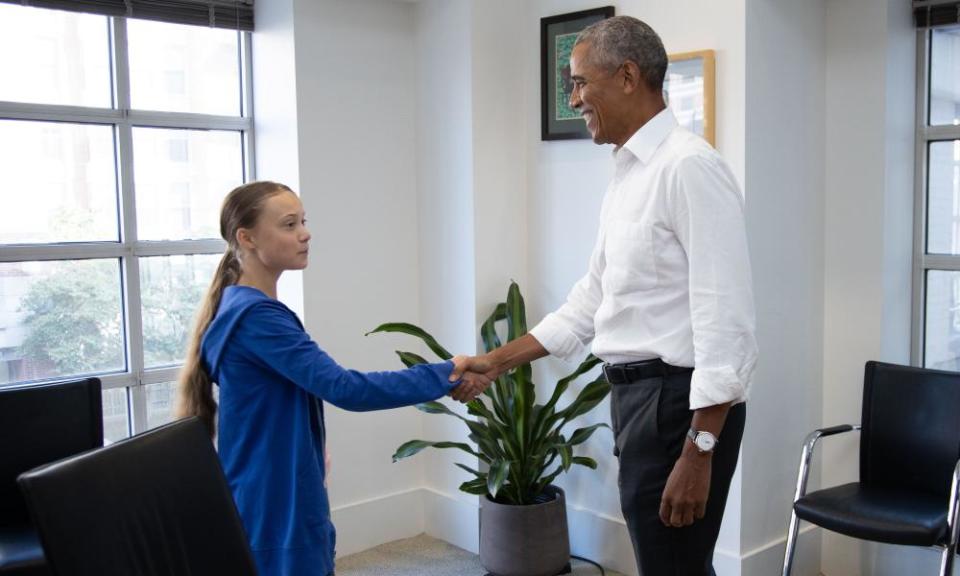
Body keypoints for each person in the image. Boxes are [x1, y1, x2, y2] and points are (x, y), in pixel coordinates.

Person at [452, 16, 757, 576]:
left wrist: (700, 450)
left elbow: (726, 320)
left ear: (626, 76)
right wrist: (493, 363)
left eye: (578, 82)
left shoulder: (688, 167)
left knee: (675, 567)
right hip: (640, 403)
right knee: (667, 562)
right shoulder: (628, 172)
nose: (573, 99)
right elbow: (589, 302)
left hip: (679, 407)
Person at [176, 180, 487, 576]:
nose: (305, 234)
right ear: (246, 237)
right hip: (275, 493)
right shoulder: (258, 318)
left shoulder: (242, 306)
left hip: (268, 480)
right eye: (289, 225)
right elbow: (346, 389)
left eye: (303, 221)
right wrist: (447, 371)